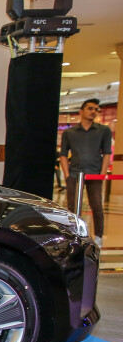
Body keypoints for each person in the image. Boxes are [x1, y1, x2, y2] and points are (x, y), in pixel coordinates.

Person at [59, 98, 114, 247]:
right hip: (75, 174)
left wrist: (102, 174)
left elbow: (107, 153)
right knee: (72, 207)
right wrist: (67, 174)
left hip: (94, 174)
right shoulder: (69, 133)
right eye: (90, 108)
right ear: (81, 112)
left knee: (96, 206)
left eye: (96, 109)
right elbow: (63, 154)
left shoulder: (104, 131)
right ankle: (73, 234)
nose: (94, 112)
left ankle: (99, 236)